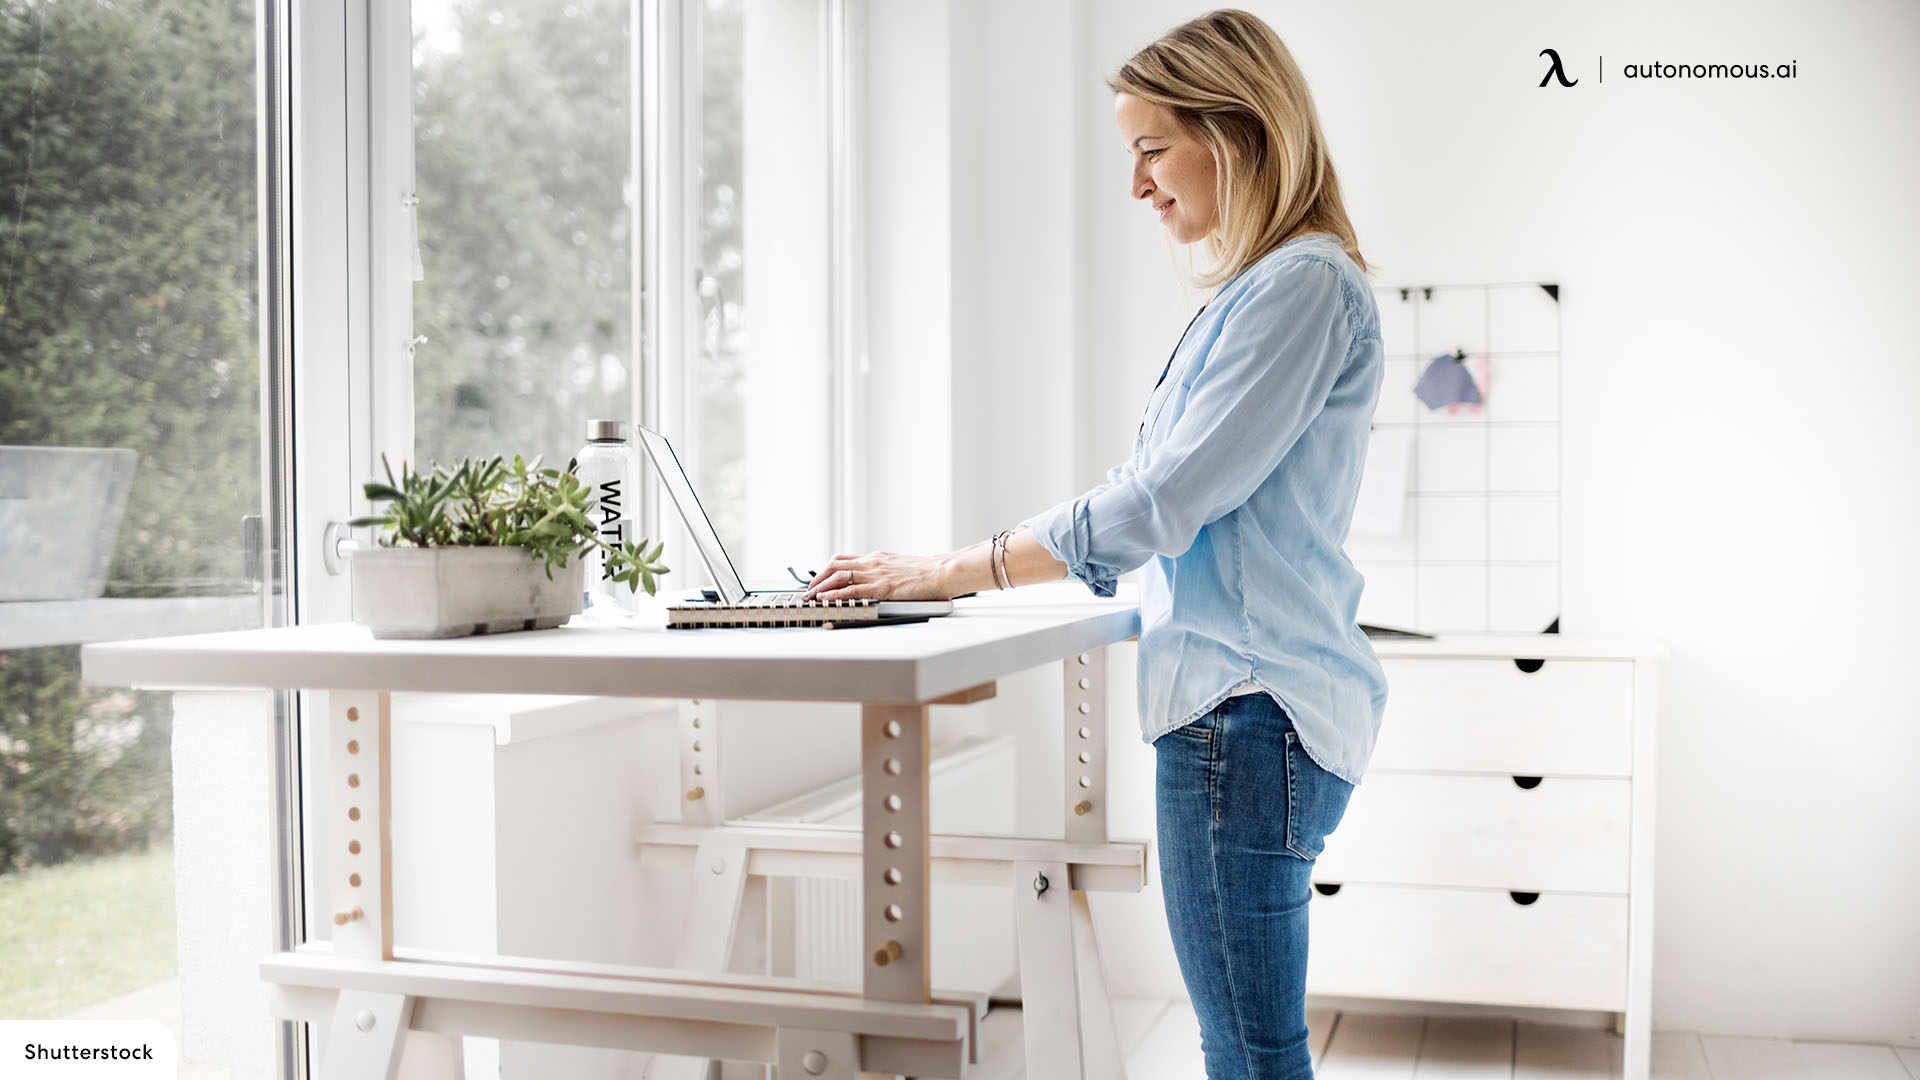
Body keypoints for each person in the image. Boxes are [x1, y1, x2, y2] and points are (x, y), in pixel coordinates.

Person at [806, 9, 1386, 1077]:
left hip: (1244, 714)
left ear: (1239, 129)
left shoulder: (1299, 286)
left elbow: (1163, 499)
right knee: (1250, 1046)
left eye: (1151, 148)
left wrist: (948, 570)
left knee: (1251, 1055)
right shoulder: (1267, 291)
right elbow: (1161, 500)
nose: (1138, 185)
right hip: (1245, 711)